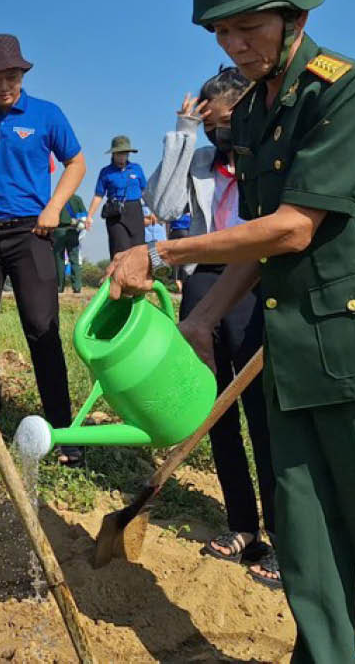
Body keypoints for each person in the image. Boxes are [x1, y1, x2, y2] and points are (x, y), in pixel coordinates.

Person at [108, 0, 355, 661]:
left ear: (294, 16)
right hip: (293, 361)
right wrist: (201, 318)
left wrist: (162, 251)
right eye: (220, 32)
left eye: (247, 27)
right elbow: (257, 244)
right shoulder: (254, 113)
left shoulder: (344, 89)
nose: (233, 45)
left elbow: (292, 227)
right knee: (308, 552)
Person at [144, 67, 278, 588]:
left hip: (254, 281)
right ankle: (242, 525)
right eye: (210, 124)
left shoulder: (267, 156)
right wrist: (182, 133)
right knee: (214, 407)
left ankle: (283, 536)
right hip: (204, 281)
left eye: (227, 121)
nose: (220, 132)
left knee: (262, 414)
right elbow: (163, 206)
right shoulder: (199, 160)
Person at [0, 33, 86, 466]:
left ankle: (63, 430)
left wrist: (54, 207)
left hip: (32, 233)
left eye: (11, 76)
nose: (4, 85)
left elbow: (76, 163)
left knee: (42, 327)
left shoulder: (47, 114)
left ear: (22, 74)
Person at [86, 135, 146, 257]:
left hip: (135, 211)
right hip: (116, 212)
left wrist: (152, 211)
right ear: (113, 154)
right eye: (119, 153)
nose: (122, 156)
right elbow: (98, 195)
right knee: (121, 248)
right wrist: (89, 216)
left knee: (138, 250)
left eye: (125, 153)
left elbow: (145, 191)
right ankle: (119, 270)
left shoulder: (136, 168)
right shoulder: (105, 172)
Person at [52, 192, 86, 293]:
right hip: (73, 231)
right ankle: (77, 287)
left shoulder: (56, 198)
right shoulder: (77, 198)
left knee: (59, 260)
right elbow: (84, 217)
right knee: (74, 259)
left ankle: (60, 287)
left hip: (59, 231)